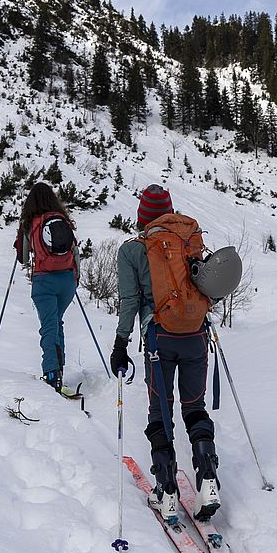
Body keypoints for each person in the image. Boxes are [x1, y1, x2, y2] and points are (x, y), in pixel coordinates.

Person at [109, 184, 221, 521]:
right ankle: (208, 480)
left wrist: (120, 343)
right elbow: (208, 286)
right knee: (194, 408)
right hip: (195, 334)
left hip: (159, 337)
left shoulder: (132, 250)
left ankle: (167, 490)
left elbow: (130, 301)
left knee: (160, 411)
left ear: (142, 216)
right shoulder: (188, 239)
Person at [14, 182, 78, 394]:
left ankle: (52, 374)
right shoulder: (63, 220)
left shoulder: (31, 223)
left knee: (49, 326)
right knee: (57, 323)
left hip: (45, 281)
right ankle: (58, 370)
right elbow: (75, 252)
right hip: (68, 280)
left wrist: (23, 238)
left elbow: (23, 258)